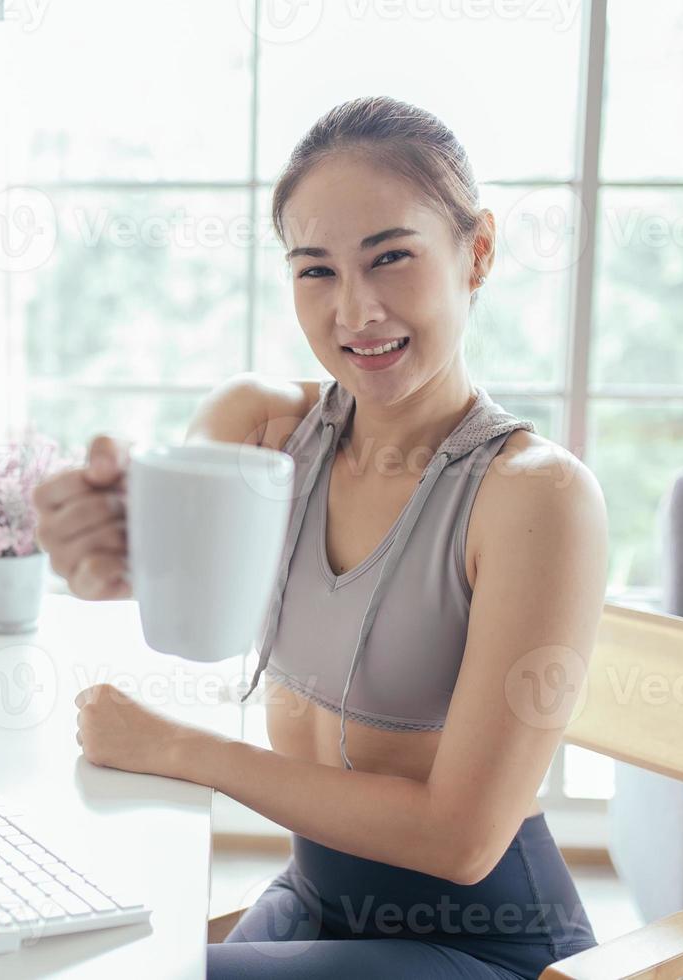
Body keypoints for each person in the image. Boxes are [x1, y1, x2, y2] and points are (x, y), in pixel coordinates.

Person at [32, 96, 607, 979]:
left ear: (478, 251)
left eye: (393, 258)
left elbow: (460, 841)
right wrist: (100, 543)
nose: (357, 311)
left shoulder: (537, 497)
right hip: (315, 902)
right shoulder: (262, 432)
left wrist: (181, 750)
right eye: (317, 271)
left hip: (483, 946)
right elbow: (155, 578)